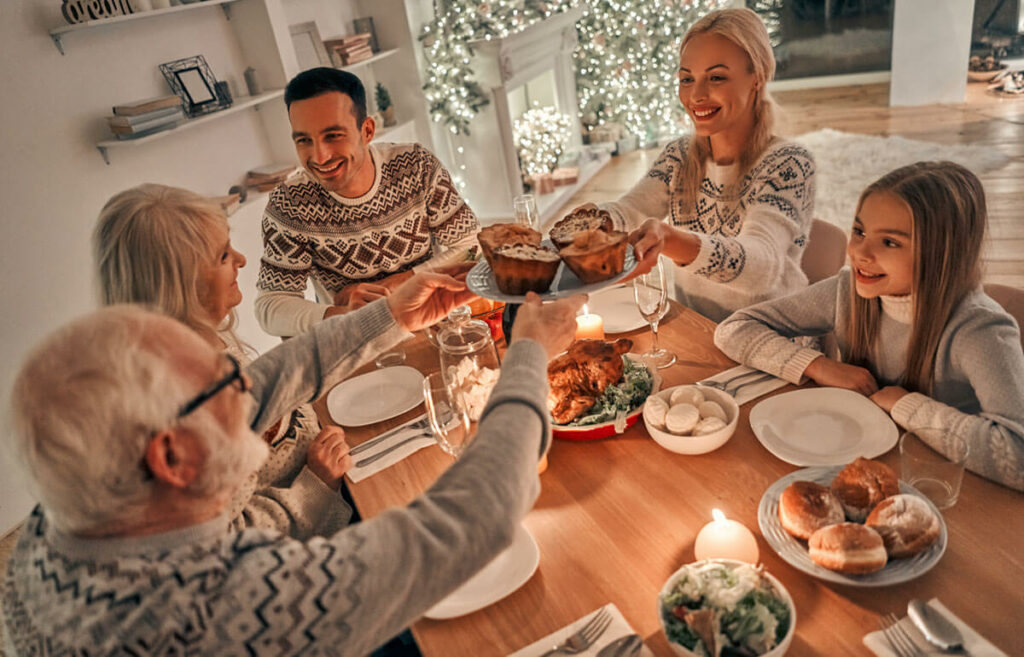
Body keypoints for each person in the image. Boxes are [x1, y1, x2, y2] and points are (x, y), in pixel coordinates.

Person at [2, 271, 585, 654]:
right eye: (226, 383)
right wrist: (529, 354)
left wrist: (391, 318)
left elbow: (274, 376)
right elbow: (469, 521)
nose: (248, 390)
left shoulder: (54, 527)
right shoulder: (220, 611)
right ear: (173, 457)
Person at [714, 162, 1024, 491]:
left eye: (889, 242)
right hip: (852, 466)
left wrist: (907, 405)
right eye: (860, 232)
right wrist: (818, 365)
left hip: (939, 486)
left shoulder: (980, 330)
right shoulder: (846, 292)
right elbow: (734, 329)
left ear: (941, 255)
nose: (860, 252)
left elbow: (1017, 456)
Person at [93, 183, 352, 539]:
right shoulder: (185, 401)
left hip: (330, 475)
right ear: (183, 285)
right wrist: (316, 485)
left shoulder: (203, 338)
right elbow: (228, 538)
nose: (241, 259)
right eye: (223, 256)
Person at [576, 8, 815, 322]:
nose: (696, 95)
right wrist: (597, 221)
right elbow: (632, 209)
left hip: (774, 335)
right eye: (686, 79)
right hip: (700, 328)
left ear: (755, 78)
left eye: (716, 77)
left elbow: (761, 267)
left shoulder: (789, 164)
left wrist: (671, 240)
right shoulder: (679, 155)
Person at [256, 67, 479, 337]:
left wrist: (400, 284)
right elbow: (270, 307)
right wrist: (339, 314)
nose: (320, 156)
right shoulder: (289, 205)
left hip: (432, 324)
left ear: (367, 130)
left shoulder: (416, 167)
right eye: (304, 140)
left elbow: (472, 245)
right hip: (354, 339)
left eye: (333, 136)